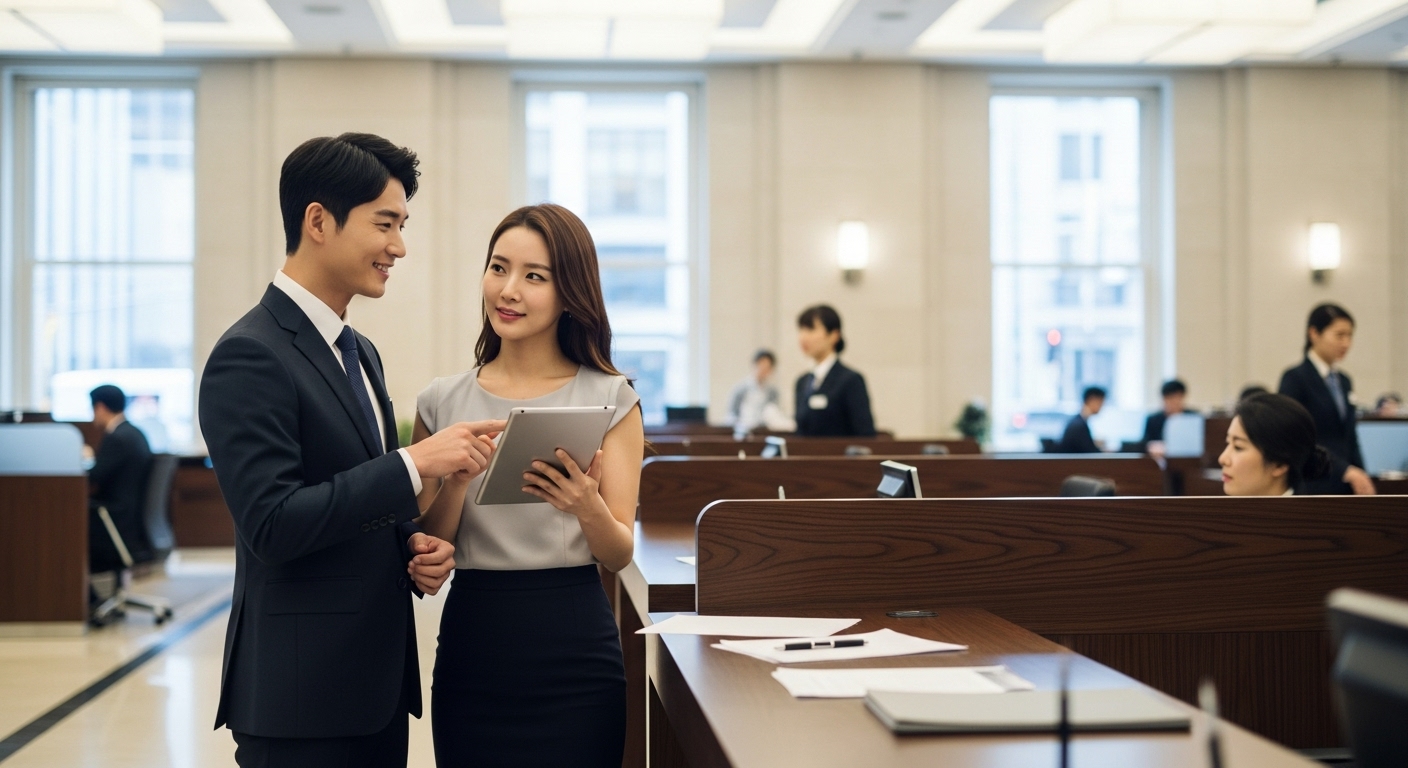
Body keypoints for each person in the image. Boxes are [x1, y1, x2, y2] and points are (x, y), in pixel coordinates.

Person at [199, 133, 488, 768]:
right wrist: (415, 463)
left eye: (403, 225)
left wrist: (414, 543)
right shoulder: (250, 354)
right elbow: (272, 525)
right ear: (319, 221)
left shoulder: (361, 353)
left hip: (373, 692)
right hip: (301, 702)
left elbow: (356, 499)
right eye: (385, 224)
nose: (399, 247)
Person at [412, 204, 643, 767]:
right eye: (498, 268)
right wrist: (458, 483)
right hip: (474, 644)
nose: (508, 290)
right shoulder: (441, 401)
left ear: (570, 293)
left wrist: (585, 505)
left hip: (575, 651)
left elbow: (617, 553)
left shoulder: (612, 399)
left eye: (534, 276)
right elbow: (428, 545)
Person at [1277, 303, 1376, 495]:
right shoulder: (1295, 378)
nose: (1346, 343)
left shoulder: (1344, 381)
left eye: (1350, 336)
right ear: (1314, 333)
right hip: (1314, 482)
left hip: (1348, 484)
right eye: (1339, 335)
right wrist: (1344, 469)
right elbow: (1295, 437)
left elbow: (1349, 436)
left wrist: (1361, 474)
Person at [87, 384, 154, 577]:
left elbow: (94, 477)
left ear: (99, 407)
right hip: (131, 518)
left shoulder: (116, 438)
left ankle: (87, 598)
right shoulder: (135, 434)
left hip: (114, 519)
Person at [1219, 392, 1331, 496]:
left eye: (1238, 447)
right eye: (1227, 443)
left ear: (1279, 464)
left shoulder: (1305, 516)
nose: (1222, 459)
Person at [793, 305, 876, 437]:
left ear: (834, 335)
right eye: (801, 330)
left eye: (810, 329)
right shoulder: (802, 382)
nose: (803, 337)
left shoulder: (851, 380)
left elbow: (865, 434)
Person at [727, 349, 786, 433]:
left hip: (764, 432)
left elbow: (776, 415)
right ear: (753, 365)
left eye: (767, 367)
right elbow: (731, 415)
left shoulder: (773, 392)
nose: (763, 370)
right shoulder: (740, 390)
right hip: (743, 432)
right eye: (760, 365)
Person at [1140, 379, 1193, 457]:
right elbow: (1144, 443)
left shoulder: (1193, 418)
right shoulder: (1153, 420)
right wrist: (1152, 446)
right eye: (1169, 398)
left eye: (1176, 397)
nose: (1173, 402)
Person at [1055, 386, 1105, 453]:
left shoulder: (1077, 422)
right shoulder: (1079, 426)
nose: (1102, 406)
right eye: (1101, 403)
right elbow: (1089, 452)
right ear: (1092, 400)